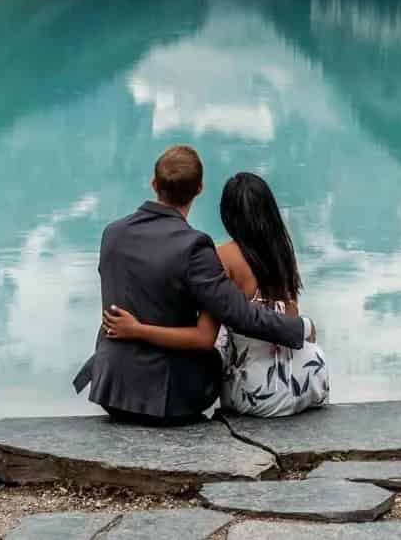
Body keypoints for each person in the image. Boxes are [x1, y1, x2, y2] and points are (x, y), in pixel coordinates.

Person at [74, 145, 314, 425]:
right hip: (170, 402)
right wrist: (301, 328)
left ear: (154, 184)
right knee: (214, 352)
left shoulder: (112, 234)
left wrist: (135, 330)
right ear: (199, 189)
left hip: (111, 392)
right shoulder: (195, 247)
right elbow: (238, 316)